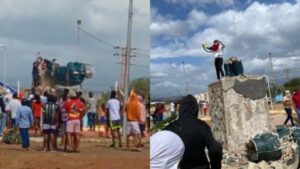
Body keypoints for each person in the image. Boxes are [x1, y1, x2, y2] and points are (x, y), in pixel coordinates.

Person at [164, 95, 222, 169]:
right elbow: (215, 148)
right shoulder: (202, 126)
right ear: (196, 109)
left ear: (181, 109)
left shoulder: (171, 128)